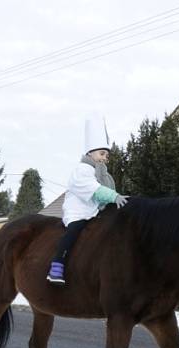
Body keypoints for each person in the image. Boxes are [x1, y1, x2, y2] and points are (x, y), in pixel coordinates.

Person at [46, 116, 128, 285]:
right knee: (74, 231)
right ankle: (57, 265)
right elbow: (94, 189)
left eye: (106, 155)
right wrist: (114, 197)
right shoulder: (82, 170)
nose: (105, 157)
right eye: (102, 153)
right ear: (91, 153)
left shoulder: (102, 172)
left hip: (94, 211)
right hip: (79, 211)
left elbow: (106, 191)